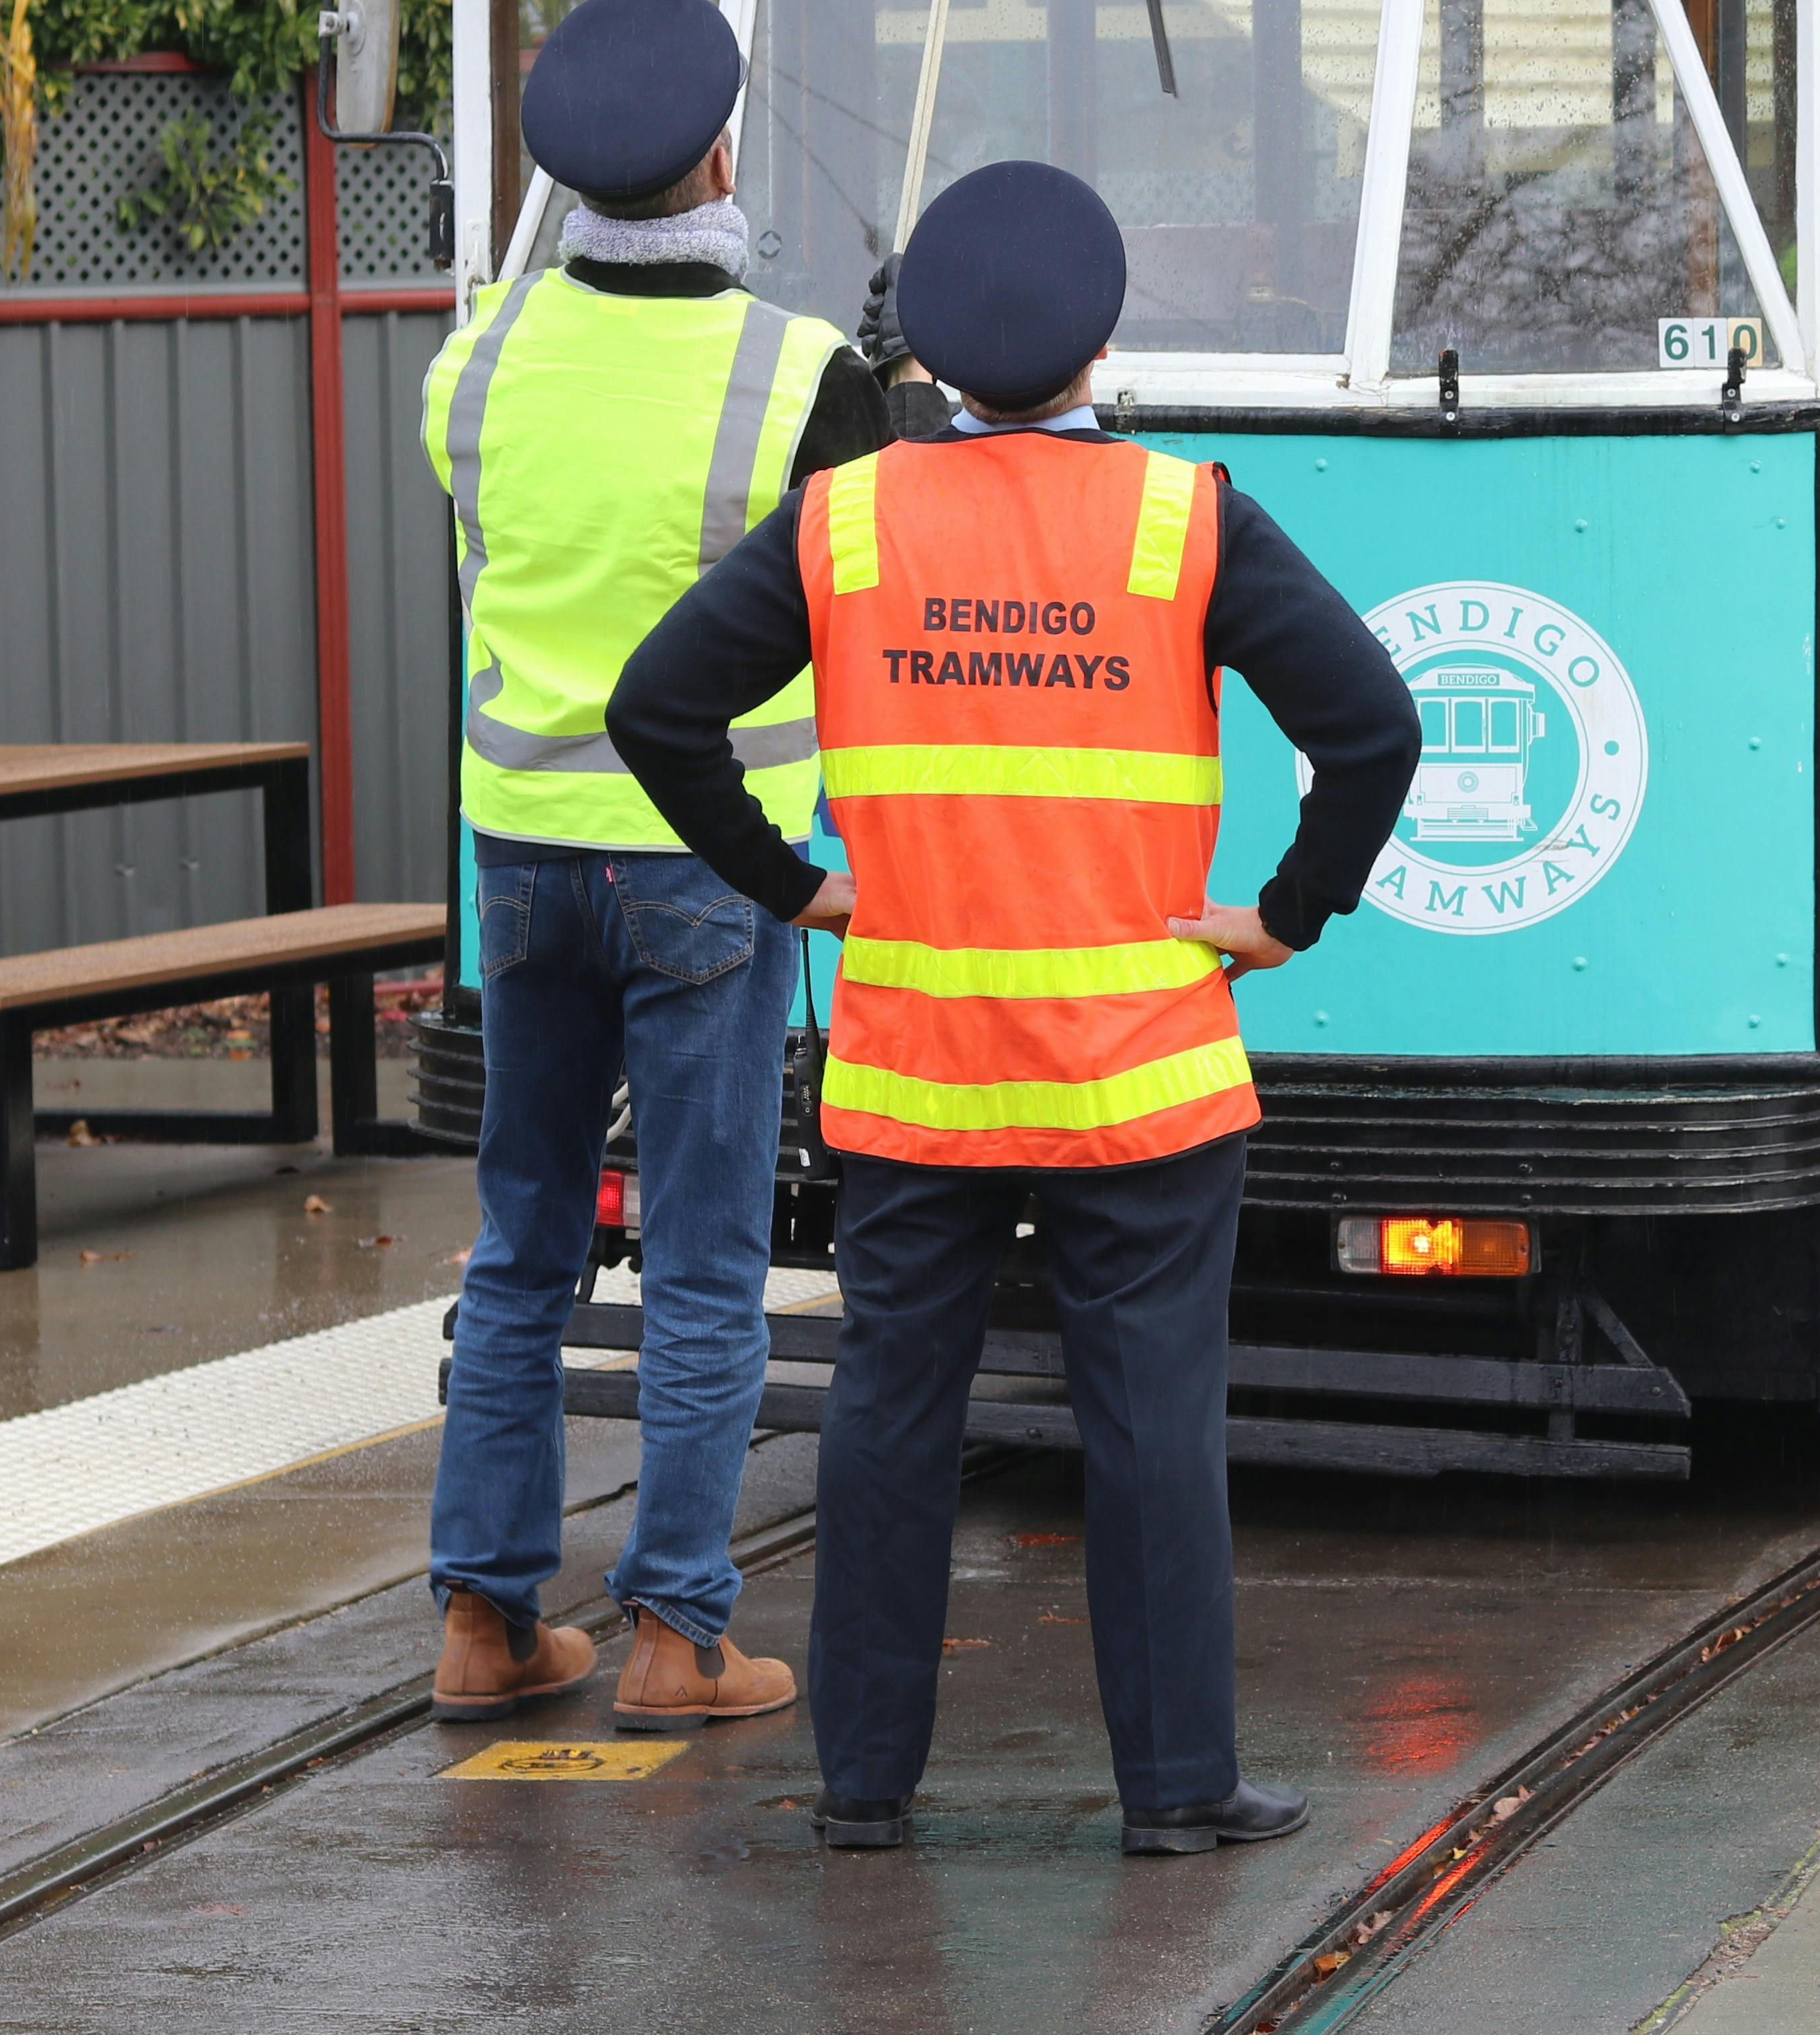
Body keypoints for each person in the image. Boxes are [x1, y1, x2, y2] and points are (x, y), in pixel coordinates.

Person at [607, 160, 1421, 1854]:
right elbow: (1374, 727)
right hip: (1138, 1074)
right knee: (1151, 1436)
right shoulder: (1182, 517)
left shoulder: (844, 517)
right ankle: (1181, 1787)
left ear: (940, 358)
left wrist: (788, 882)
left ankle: (866, 1782)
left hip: (918, 1065)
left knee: (890, 1420)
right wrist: (1286, 913)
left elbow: (658, 706)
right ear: (1100, 338)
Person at [417, 0, 890, 1733]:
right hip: (712, 862)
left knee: (523, 1249)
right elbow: (849, 596)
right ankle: (681, 1637)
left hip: (520, 862)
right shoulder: (801, 374)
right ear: (718, 159)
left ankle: (482, 1621)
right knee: (702, 1262)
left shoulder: (472, 361)